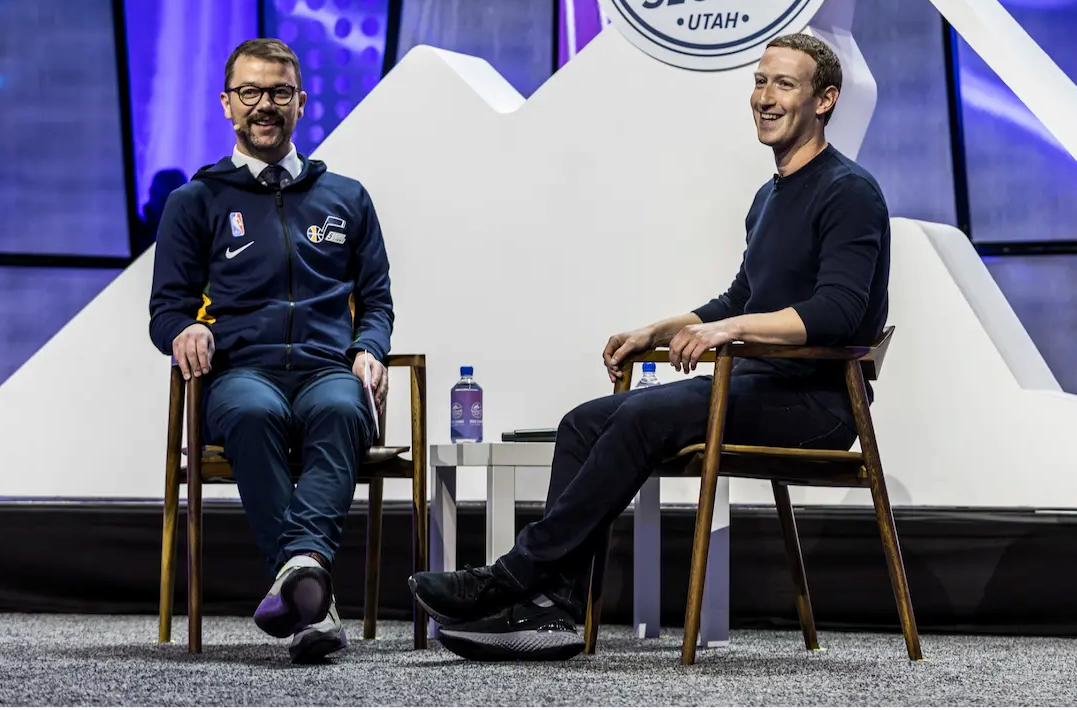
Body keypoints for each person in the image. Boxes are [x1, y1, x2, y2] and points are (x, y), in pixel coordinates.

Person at [407, 32, 890, 661]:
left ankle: (512, 577)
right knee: (580, 423)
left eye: (783, 85)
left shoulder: (849, 191)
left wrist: (731, 331)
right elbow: (740, 297)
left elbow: (839, 312)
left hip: (818, 402)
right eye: (759, 81)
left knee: (642, 414)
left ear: (824, 100)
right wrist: (658, 331)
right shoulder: (767, 198)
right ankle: (557, 608)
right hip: (754, 385)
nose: (763, 98)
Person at [148, 38, 392, 663]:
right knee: (254, 416)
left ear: (301, 103)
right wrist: (185, 331)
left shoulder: (347, 197)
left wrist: (369, 346)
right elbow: (166, 311)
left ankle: (301, 575)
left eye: (279, 93)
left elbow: (377, 300)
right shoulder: (195, 201)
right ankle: (311, 590)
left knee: (343, 410)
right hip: (240, 374)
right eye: (250, 93)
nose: (265, 106)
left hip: (325, 371)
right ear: (227, 105)